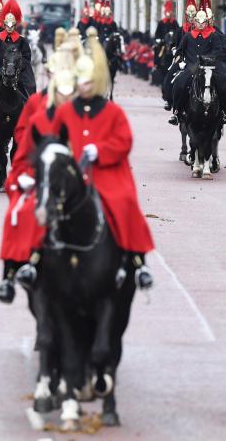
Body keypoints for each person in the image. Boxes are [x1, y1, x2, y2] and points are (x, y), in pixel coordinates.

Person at [52, 54, 155, 289]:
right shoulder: (66, 111)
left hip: (107, 173)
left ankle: (138, 261)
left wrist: (100, 150)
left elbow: (124, 141)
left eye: (88, 82)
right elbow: (54, 139)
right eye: (80, 82)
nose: (83, 87)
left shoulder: (113, 112)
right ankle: (32, 260)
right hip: (73, 174)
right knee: (42, 204)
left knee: (124, 202)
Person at [0, 68, 77, 303]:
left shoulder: (85, 105)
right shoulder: (37, 105)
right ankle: (10, 273)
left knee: (118, 203)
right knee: (18, 212)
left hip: (76, 168)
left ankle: (131, 264)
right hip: (39, 168)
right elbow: (23, 133)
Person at [170, 6, 226, 124]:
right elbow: (180, 51)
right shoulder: (187, 36)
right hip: (192, 66)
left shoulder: (214, 36)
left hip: (210, 66)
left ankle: (225, 109)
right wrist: (180, 61)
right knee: (179, 83)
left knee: (224, 80)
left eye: (203, 22)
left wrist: (208, 59)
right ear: (194, 22)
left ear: (206, 22)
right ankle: (176, 112)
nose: (200, 25)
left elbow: (217, 51)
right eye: (198, 22)